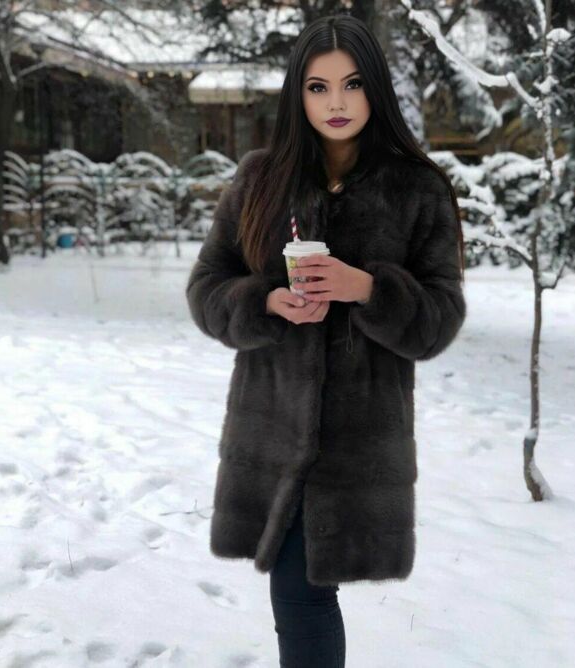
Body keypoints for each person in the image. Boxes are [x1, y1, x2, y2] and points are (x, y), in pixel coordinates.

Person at [185, 13, 467, 668]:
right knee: (299, 592)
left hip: (358, 445)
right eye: (318, 87)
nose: (336, 102)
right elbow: (206, 287)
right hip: (270, 434)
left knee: (305, 594)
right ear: (298, 94)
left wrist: (366, 287)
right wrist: (263, 302)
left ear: (375, 89)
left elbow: (441, 316)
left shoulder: (418, 189)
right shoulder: (260, 180)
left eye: (352, 84)